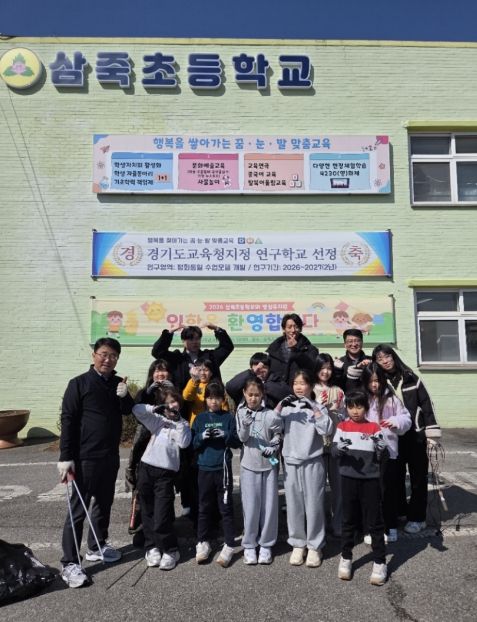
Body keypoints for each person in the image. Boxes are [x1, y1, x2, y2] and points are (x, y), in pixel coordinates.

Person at [57, 338, 134, 588]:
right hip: (84, 457)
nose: (108, 359)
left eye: (113, 356)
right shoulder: (79, 383)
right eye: (103, 354)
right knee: (78, 510)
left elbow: (128, 411)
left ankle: (97, 546)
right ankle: (69, 562)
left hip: (109, 455)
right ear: (94, 355)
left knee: (104, 503)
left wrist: (125, 396)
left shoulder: (117, 382)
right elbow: (68, 419)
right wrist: (65, 457)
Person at [372, 344, 442, 534]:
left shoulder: (410, 378)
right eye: (379, 358)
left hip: (415, 434)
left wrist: (431, 433)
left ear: (393, 357)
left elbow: (426, 405)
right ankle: (401, 511)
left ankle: (418, 518)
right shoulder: (379, 382)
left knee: (418, 477)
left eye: (387, 356)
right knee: (395, 477)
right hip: (392, 436)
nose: (385, 361)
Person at [275, 370, 332, 567]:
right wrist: (280, 406)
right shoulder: (287, 408)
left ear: (310, 386)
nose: (299, 387)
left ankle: (315, 546)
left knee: (314, 504)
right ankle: (298, 544)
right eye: (295, 383)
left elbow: (326, 429)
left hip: (313, 461)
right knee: (294, 504)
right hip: (291, 461)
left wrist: (314, 408)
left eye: (303, 383)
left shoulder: (318, 406)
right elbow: (273, 426)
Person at [333, 390, 388, 586]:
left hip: (370, 480)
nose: (355, 411)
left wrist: (381, 448)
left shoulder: (374, 427)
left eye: (359, 406)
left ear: (366, 407)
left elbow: (382, 455)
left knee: (374, 522)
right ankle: (346, 557)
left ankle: (380, 561)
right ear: (346, 408)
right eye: (351, 407)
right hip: (348, 479)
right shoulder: (342, 426)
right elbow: (334, 451)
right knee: (348, 520)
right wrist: (339, 449)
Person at [132, 389, 191, 571]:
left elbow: (184, 442)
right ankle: (152, 547)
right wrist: (154, 408)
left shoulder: (182, 424)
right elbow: (136, 410)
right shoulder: (158, 421)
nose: (172, 405)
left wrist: (178, 420)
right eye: (168, 402)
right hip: (146, 467)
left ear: (179, 405)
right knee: (147, 510)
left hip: (165, 473)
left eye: (175, 402)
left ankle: (171, 550)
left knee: (162, 514)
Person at [191, 382, 241, 567]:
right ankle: (202, 542)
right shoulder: (200, 418)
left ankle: (229, 544)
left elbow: (236, 442)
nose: (214, 401)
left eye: (217, 398)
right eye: (210, 398)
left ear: (223, 399)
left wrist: (225, 434)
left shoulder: (228, 417)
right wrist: (202, 436)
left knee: (225, 507)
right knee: (204, 507)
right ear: (205, 400)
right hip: (204, 468)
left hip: (223, 470)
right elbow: (192, 443)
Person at [361, 363, 412, 543]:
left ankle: (390, 526)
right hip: (367, 453)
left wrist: (395, 421)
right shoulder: (362, 399)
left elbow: (406, 418)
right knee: (370, 494)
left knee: (388, 491)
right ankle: (370, 529)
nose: (374, 384)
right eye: (370, 381)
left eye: (377, 380)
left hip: (389, 452)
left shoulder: (391, 399)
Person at [236, 377, 282, 565]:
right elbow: (242, 438)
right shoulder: (240, 412)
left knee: (269, 506)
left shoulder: (270, 414)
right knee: (250, 506)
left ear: (262, 394)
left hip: (269, 464)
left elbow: (278, 434)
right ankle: (249, 544)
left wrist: (274, 446)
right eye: (250, 394)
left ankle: (266, 544)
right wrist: (246, 425)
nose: (253, 398)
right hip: (249, 464)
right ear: (244, 394)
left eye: (257, 395)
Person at [313, 353, 346, 537]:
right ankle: (320, 525)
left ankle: (338, 523)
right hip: (316, 445)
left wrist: (339, 411)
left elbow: (346, 417)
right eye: (322, 368)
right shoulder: (311, 390)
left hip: (335, 443)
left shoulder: (338, 390)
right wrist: (317, 406)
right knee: (317, 489)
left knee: (338, 488)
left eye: (329, 368)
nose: (325, 372)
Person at [151, 323, 234, 391]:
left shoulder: (210, 356)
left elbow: (227, 347)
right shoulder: (177, 359)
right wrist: (169, 332)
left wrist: (217, 329)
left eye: (197, 339)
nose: (195, 342)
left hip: (209, 401)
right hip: (183, 402)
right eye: (191, 339)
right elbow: (157, 351)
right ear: (183, 341)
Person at [266, 313, 319, 385]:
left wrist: (296, 350)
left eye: (296, 327)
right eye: (289, 327)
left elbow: (312, 368)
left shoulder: (310, 349)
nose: (293, 330)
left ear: (300, 329)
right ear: (284, 329)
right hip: (277, 389)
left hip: (299, 389)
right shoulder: (275, 348)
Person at [225, 352, 290, 409]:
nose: (260, 370)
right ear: (251, 367)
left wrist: (262, 386)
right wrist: (252, 372)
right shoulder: (244, 381)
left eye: (264, 367)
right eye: (256, 366)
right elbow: (230, 387)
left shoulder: (276, 380)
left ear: (269, 369)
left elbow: (287, 395)